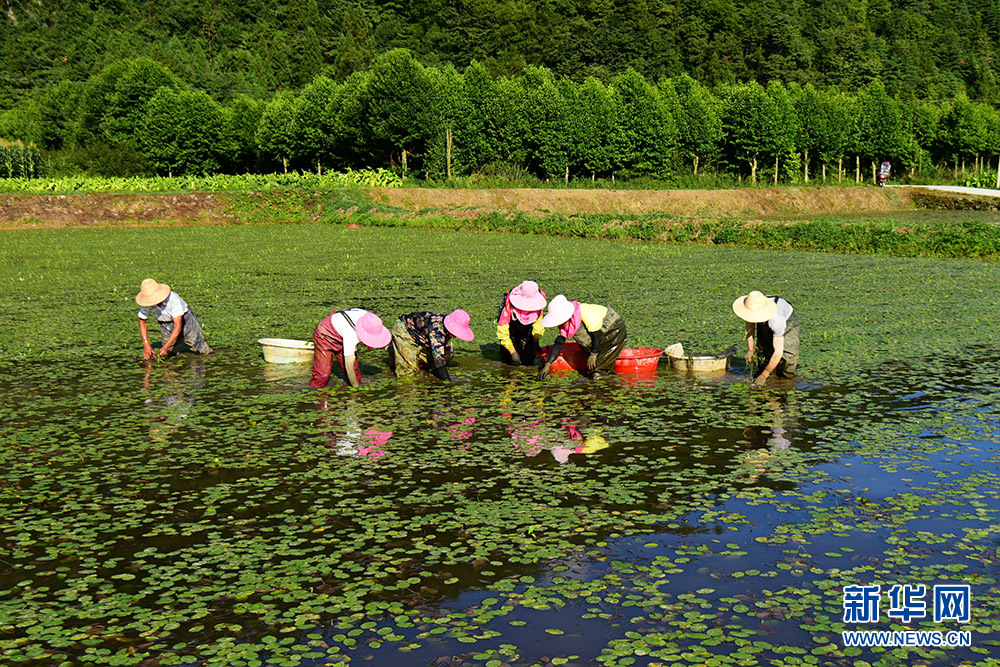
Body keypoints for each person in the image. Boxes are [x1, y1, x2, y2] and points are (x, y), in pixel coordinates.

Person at [537, 295, 627, 379]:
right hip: (598, 336)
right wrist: (548, 364)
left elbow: (596, 335)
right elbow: (559, 343)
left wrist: (593, 354)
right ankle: (609, 372)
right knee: (595, 366)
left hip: (613, 328)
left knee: (597, 372)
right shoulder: (566, 323)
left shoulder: (584, 312)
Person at [310, 308, 391, 389]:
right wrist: (355, 387)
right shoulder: (352, 335)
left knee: (355, 372)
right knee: (323, 374)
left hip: (342, 333)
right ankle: (315, 391)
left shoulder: (371, 319)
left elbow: (353, 309)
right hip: (325, 334)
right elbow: (349, 364)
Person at [732, 290, 799, 388]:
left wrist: (764, 375)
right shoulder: (753, 305)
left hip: (787, 321)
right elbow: (750, 326)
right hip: (767, 319)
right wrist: (750, 349)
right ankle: (769, 378)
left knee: (788, 359)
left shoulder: (777, 320)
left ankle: (785, 384)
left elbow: (778, 352)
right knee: (764, 352)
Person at [136, 278, 213, 359]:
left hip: (185, 319)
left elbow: (178, 326)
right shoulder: (146, 303)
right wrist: (146, 344)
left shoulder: (173, 299)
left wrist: (165, 347)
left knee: (196, 344)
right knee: (169, 352)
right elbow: (142, 322)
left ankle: (209, 359)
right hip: (165, 323)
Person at [389, 310, 474, 381]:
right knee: (408, 371)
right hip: (405, 330)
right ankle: (397, 350)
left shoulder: (446, 329)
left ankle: (399, 351)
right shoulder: (437, 331)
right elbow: (438, 360)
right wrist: (447, 381)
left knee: (432, 363)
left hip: (422, 336)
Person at [496, 280, 546, 366]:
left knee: (528, 355)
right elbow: (502, 329)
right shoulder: (509, 304)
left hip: (528, 329)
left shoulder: (539, 300)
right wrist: (512, 351)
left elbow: (539, 323)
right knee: (508, 358)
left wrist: (536, 341)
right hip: (511, 327)